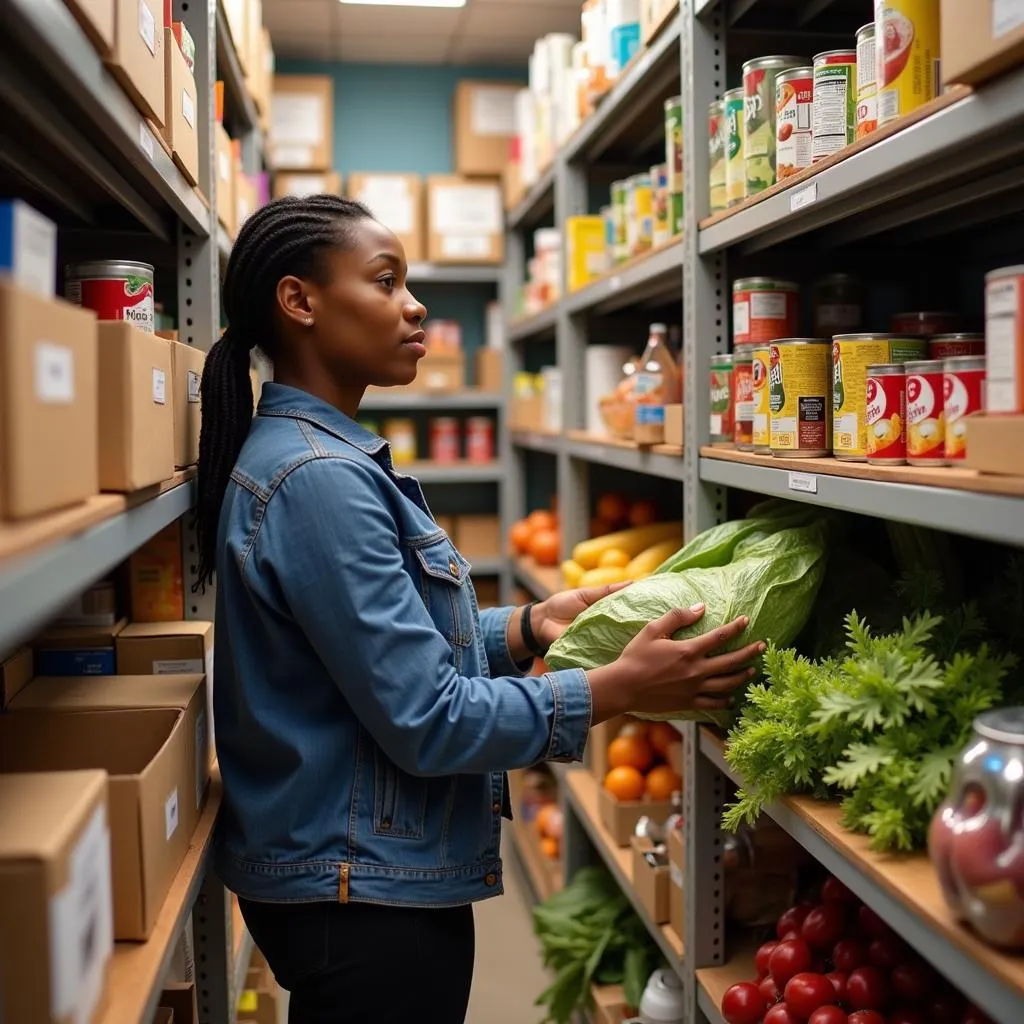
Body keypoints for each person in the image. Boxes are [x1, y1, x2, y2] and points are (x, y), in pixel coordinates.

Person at [196, 195, 763, 1024]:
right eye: (386, 281)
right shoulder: (318, 478)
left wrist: (527, 628)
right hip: (363, 900)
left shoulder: (318, 460)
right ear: (300, 302)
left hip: (355, 879)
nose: (415, 304)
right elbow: (430, 719)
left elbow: (366, 652)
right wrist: (615, 689)